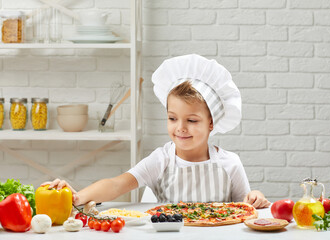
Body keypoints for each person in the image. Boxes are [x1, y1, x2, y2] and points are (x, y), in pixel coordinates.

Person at [43, 54, 271, 209]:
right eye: (172, 118)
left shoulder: (230, 163)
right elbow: (116, 185)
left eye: (191, 120)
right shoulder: (162, 160)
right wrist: (79, 196)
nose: (180, 127)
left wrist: (256, 198)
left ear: (211, 123)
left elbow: (245, 207)